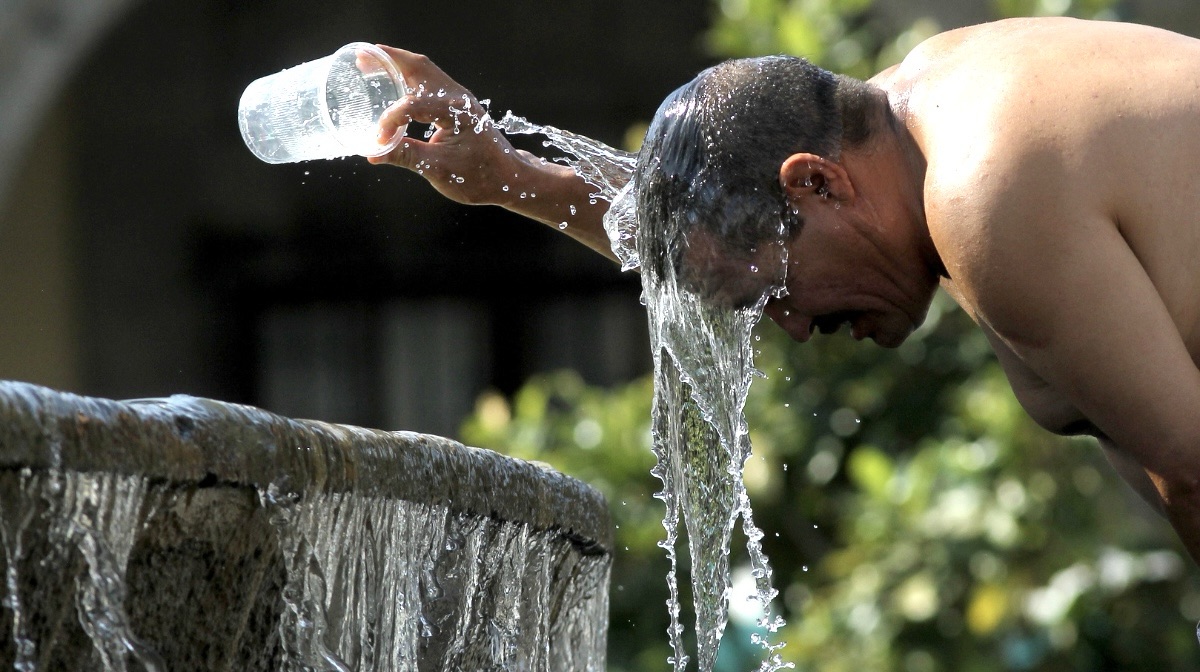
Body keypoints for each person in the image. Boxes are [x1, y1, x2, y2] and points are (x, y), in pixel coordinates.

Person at [366, 17, 1200, 563]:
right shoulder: (922, 109)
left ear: (818, 185)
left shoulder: (985, 197)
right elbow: (721, 229)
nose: (794, 327)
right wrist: (509, 176)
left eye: (775, 295)